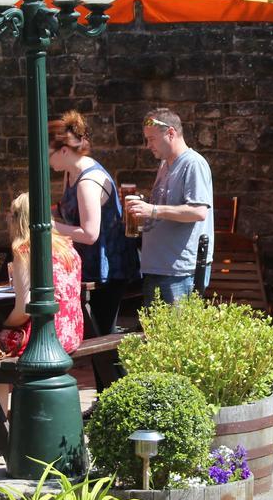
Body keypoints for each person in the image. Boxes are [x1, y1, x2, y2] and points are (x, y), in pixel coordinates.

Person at [0, 192, 84, 453]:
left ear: (18, 219)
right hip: (70, 332)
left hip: (43, 337)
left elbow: (23, 309)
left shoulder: (24, 249)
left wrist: (6, 327)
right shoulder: (67, 248)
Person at [49, 110, 138, 335]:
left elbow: (90, 233)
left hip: (107, 269)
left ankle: (123, 372)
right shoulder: (70, 173)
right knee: (94, 337)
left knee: (101, 338)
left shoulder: (88, 181)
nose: (46, 160)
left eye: (48, 154)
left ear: (64, 150)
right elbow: (67, 210)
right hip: (90, 266)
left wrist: (48, 227)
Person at [126, 108, 214, 304]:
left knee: (175, 333)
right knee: (154, 334)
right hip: (158, 266)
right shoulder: (165, 165)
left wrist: (152, 210)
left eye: (152, 139)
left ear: (171, 133)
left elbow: (198, 211)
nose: (148, 145)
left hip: (179, 271)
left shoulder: (193, 164)